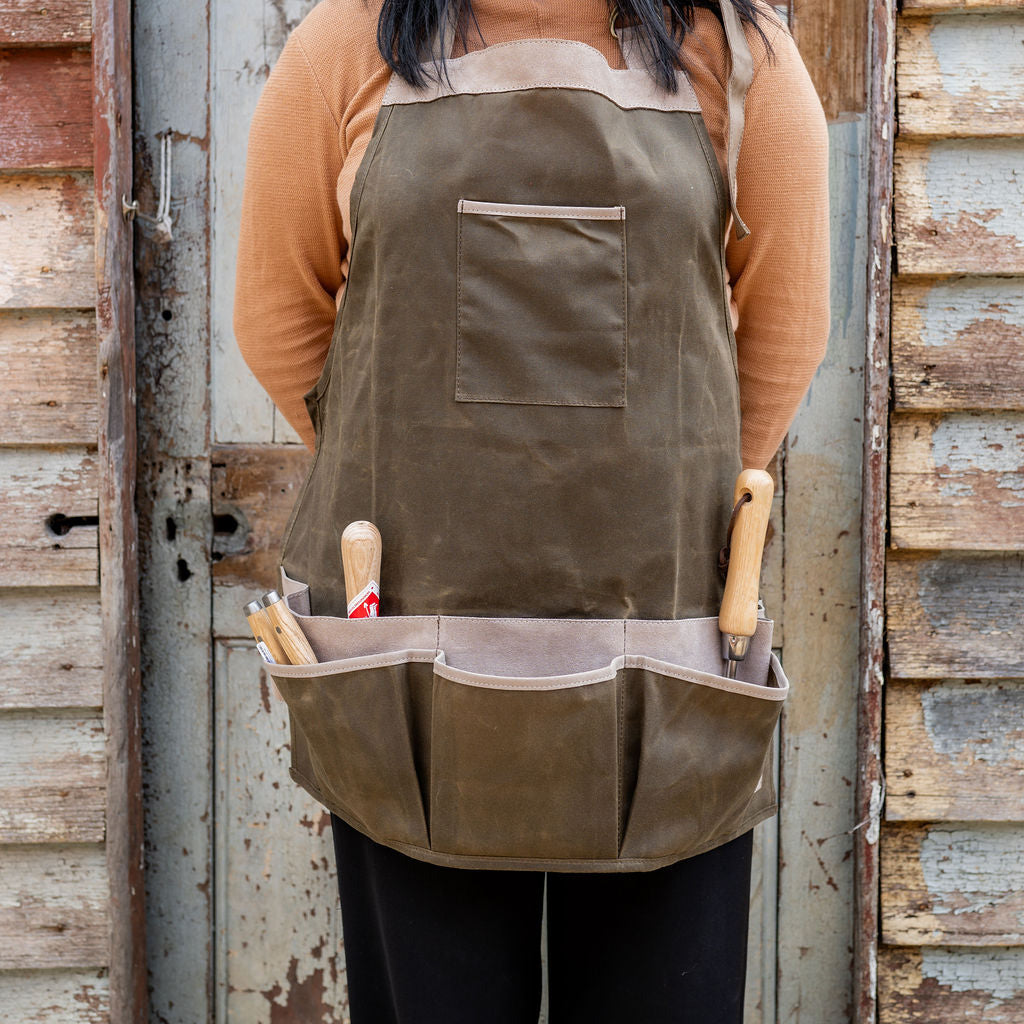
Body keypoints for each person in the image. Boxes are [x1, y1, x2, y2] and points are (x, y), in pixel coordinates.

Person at [234, 0, 829, 1020]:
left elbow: (785, 326)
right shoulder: (343, 47)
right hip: (404, 678)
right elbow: (276, 318)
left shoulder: (742, 59)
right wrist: (398, 454)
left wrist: (674, 482)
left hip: (667, 674)